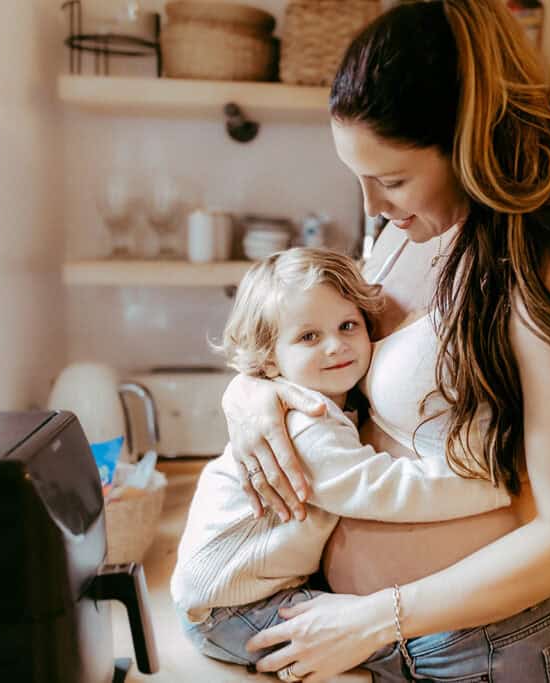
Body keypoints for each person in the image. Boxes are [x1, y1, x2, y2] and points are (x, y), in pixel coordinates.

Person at [221, 1, 550, 681]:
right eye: (359, 177)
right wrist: (251, 393)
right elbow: (331, 355)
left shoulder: (541, 277)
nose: (372, 206)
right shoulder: (395, 236)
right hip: (389, 643)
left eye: (391, 179)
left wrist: (374, 615)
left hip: (499, 651)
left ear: (469, 145)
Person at [171, 248, 511, 668]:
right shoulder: (305, 424)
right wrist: (489, 486)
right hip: (229, 610)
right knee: (387, 645)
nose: (336, 346)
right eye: (309, 337)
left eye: (347, 326)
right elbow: (384, 489)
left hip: (241, 595)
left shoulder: (329, 402)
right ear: (269, 357)